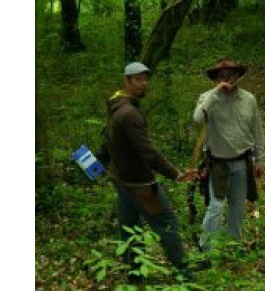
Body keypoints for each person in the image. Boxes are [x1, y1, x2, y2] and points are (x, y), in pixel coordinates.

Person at [102, 62, 203, 283]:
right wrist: (175, 173)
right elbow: (148, 152)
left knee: (129, 226)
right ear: (126, 81)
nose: (143, 83)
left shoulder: (116, 105)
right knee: (166, 222)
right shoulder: (128, 113)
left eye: (146, 79)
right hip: (140, 185)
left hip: (122, 179)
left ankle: (134, 274)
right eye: (138, 79)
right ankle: (183, 272)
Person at [193, 57, 265, 251]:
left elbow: (256, 130)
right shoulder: (207, 98)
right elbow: (198, 118)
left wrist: (260, 159)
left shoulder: (248, 99)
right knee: (216, 207)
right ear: (215, 78)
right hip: (218, 163)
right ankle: (205, 250)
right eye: (222, 75)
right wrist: (216, 93)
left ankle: (234, 245)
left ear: (238, 76)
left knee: (238, 206)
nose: (227, 79)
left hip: (242, 161)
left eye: (231, 74)